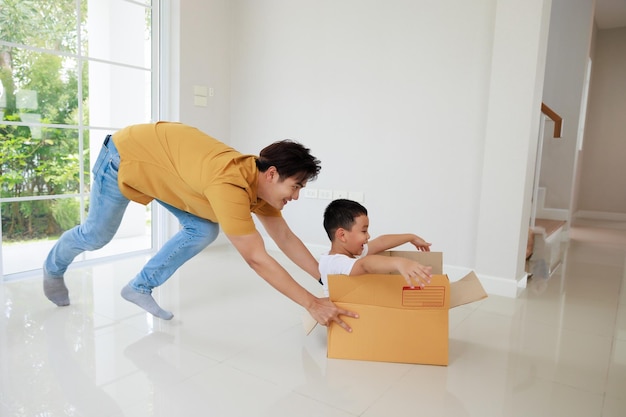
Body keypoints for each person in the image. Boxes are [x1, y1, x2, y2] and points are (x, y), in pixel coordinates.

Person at [43, 122, 358, 331]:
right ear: (272, 174)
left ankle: (138, 286)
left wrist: (325, 277)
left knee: (203, 229)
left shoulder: (259, 186)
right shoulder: (230, 185)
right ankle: (53, 267)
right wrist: (313, 303)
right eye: (296, 186)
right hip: (124, 157)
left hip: (165, 170)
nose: (297, 196)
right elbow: (256, 257)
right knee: (96, 236)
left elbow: (285, 238)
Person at [319, 199, 433, 297]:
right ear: (342, 235)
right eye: (364, 231)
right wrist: (399, 263)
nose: (368, 236)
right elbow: (365, 264)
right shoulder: (333, 262)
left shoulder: (353, 253)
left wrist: (410, 237)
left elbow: (381, 242)